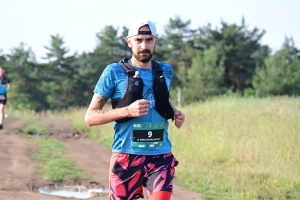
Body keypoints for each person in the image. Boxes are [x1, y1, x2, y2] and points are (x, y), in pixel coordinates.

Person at [85, 19, 185, 200]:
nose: (144, 46)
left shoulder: (165, 71)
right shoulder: (114, 72)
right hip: (126, 156)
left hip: (160, 155)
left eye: (149, 40)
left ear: (156, 41)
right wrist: (127, 111)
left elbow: (161, 99)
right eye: (139, 40)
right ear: (129, 42)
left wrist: (175, 112)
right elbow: (90, 117)